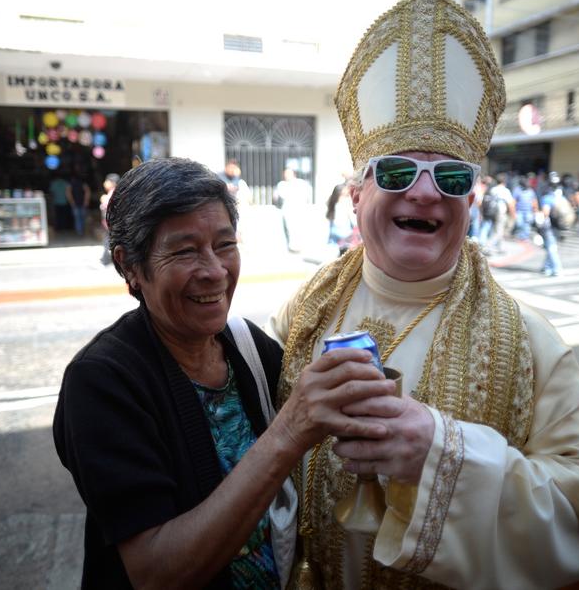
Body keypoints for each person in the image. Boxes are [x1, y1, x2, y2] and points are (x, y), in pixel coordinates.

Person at [269, 0, 579, 589]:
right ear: (358, 193)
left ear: (471, 199)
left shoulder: (529, 341)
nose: (424, 193)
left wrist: (444, 458)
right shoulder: (302, 311)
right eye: (395, 171)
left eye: (449, 176)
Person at [53, 158, 393, 589]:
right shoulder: (102, 382)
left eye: (224, 244)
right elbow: (156, 572)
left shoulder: (247, 346)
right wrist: (288, 433)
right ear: (131, 267)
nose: (215, 271)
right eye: (184, 250)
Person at [274, 167, 311, 252]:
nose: (287, 176)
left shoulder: (301, 183)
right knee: (288, 228)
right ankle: (291, 247)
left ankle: (298, 246)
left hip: (298, 209)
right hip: (287, 210)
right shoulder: (282, 184)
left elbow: (307, 195)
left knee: (298, 228)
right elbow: (278, 196)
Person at [537, 173, 565, 276]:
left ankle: (557, 269)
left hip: (549, 226)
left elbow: (545, 213)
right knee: (551, 246)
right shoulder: (560, 194)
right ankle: (546, 268)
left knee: (551, 248)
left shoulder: (547, 196)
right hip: (559, 225)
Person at [326, 180, 357, 255]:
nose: (346, 197)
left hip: (341, 240)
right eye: (344, 195)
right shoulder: (342, 205)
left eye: (346, 195)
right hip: (341, 240)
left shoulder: (334, 205)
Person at [98, 172, 120, 266]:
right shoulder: (112, 193)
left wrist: (103, 200)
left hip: (111, 223)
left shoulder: (113, 193)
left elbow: (108, 206)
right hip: (109, 223)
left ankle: (106, 260)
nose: (105, 183)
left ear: (112, 183)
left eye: (107, 181)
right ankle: (107, 259)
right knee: (108, 240)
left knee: (108, 241)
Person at [511, 175, 538, 240]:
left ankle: (524, 238)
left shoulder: (531, 191)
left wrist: (536, 210)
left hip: (529, 211)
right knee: (519, 224)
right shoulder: (517, 190)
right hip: (519, 211)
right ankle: (518, 235)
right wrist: (513, 212)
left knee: (527, 225)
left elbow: (534, 201)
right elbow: (513, 201)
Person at [67, 171, 92, 237]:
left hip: (76, 203)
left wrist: (72, 202)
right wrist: (86, 201)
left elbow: (68, 193)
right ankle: (81, 231)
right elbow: (87, 191)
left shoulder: (71, 184)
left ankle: (80, 232)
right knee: (82, 218)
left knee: (77, 218)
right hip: (81, 203)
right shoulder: (82, 183)